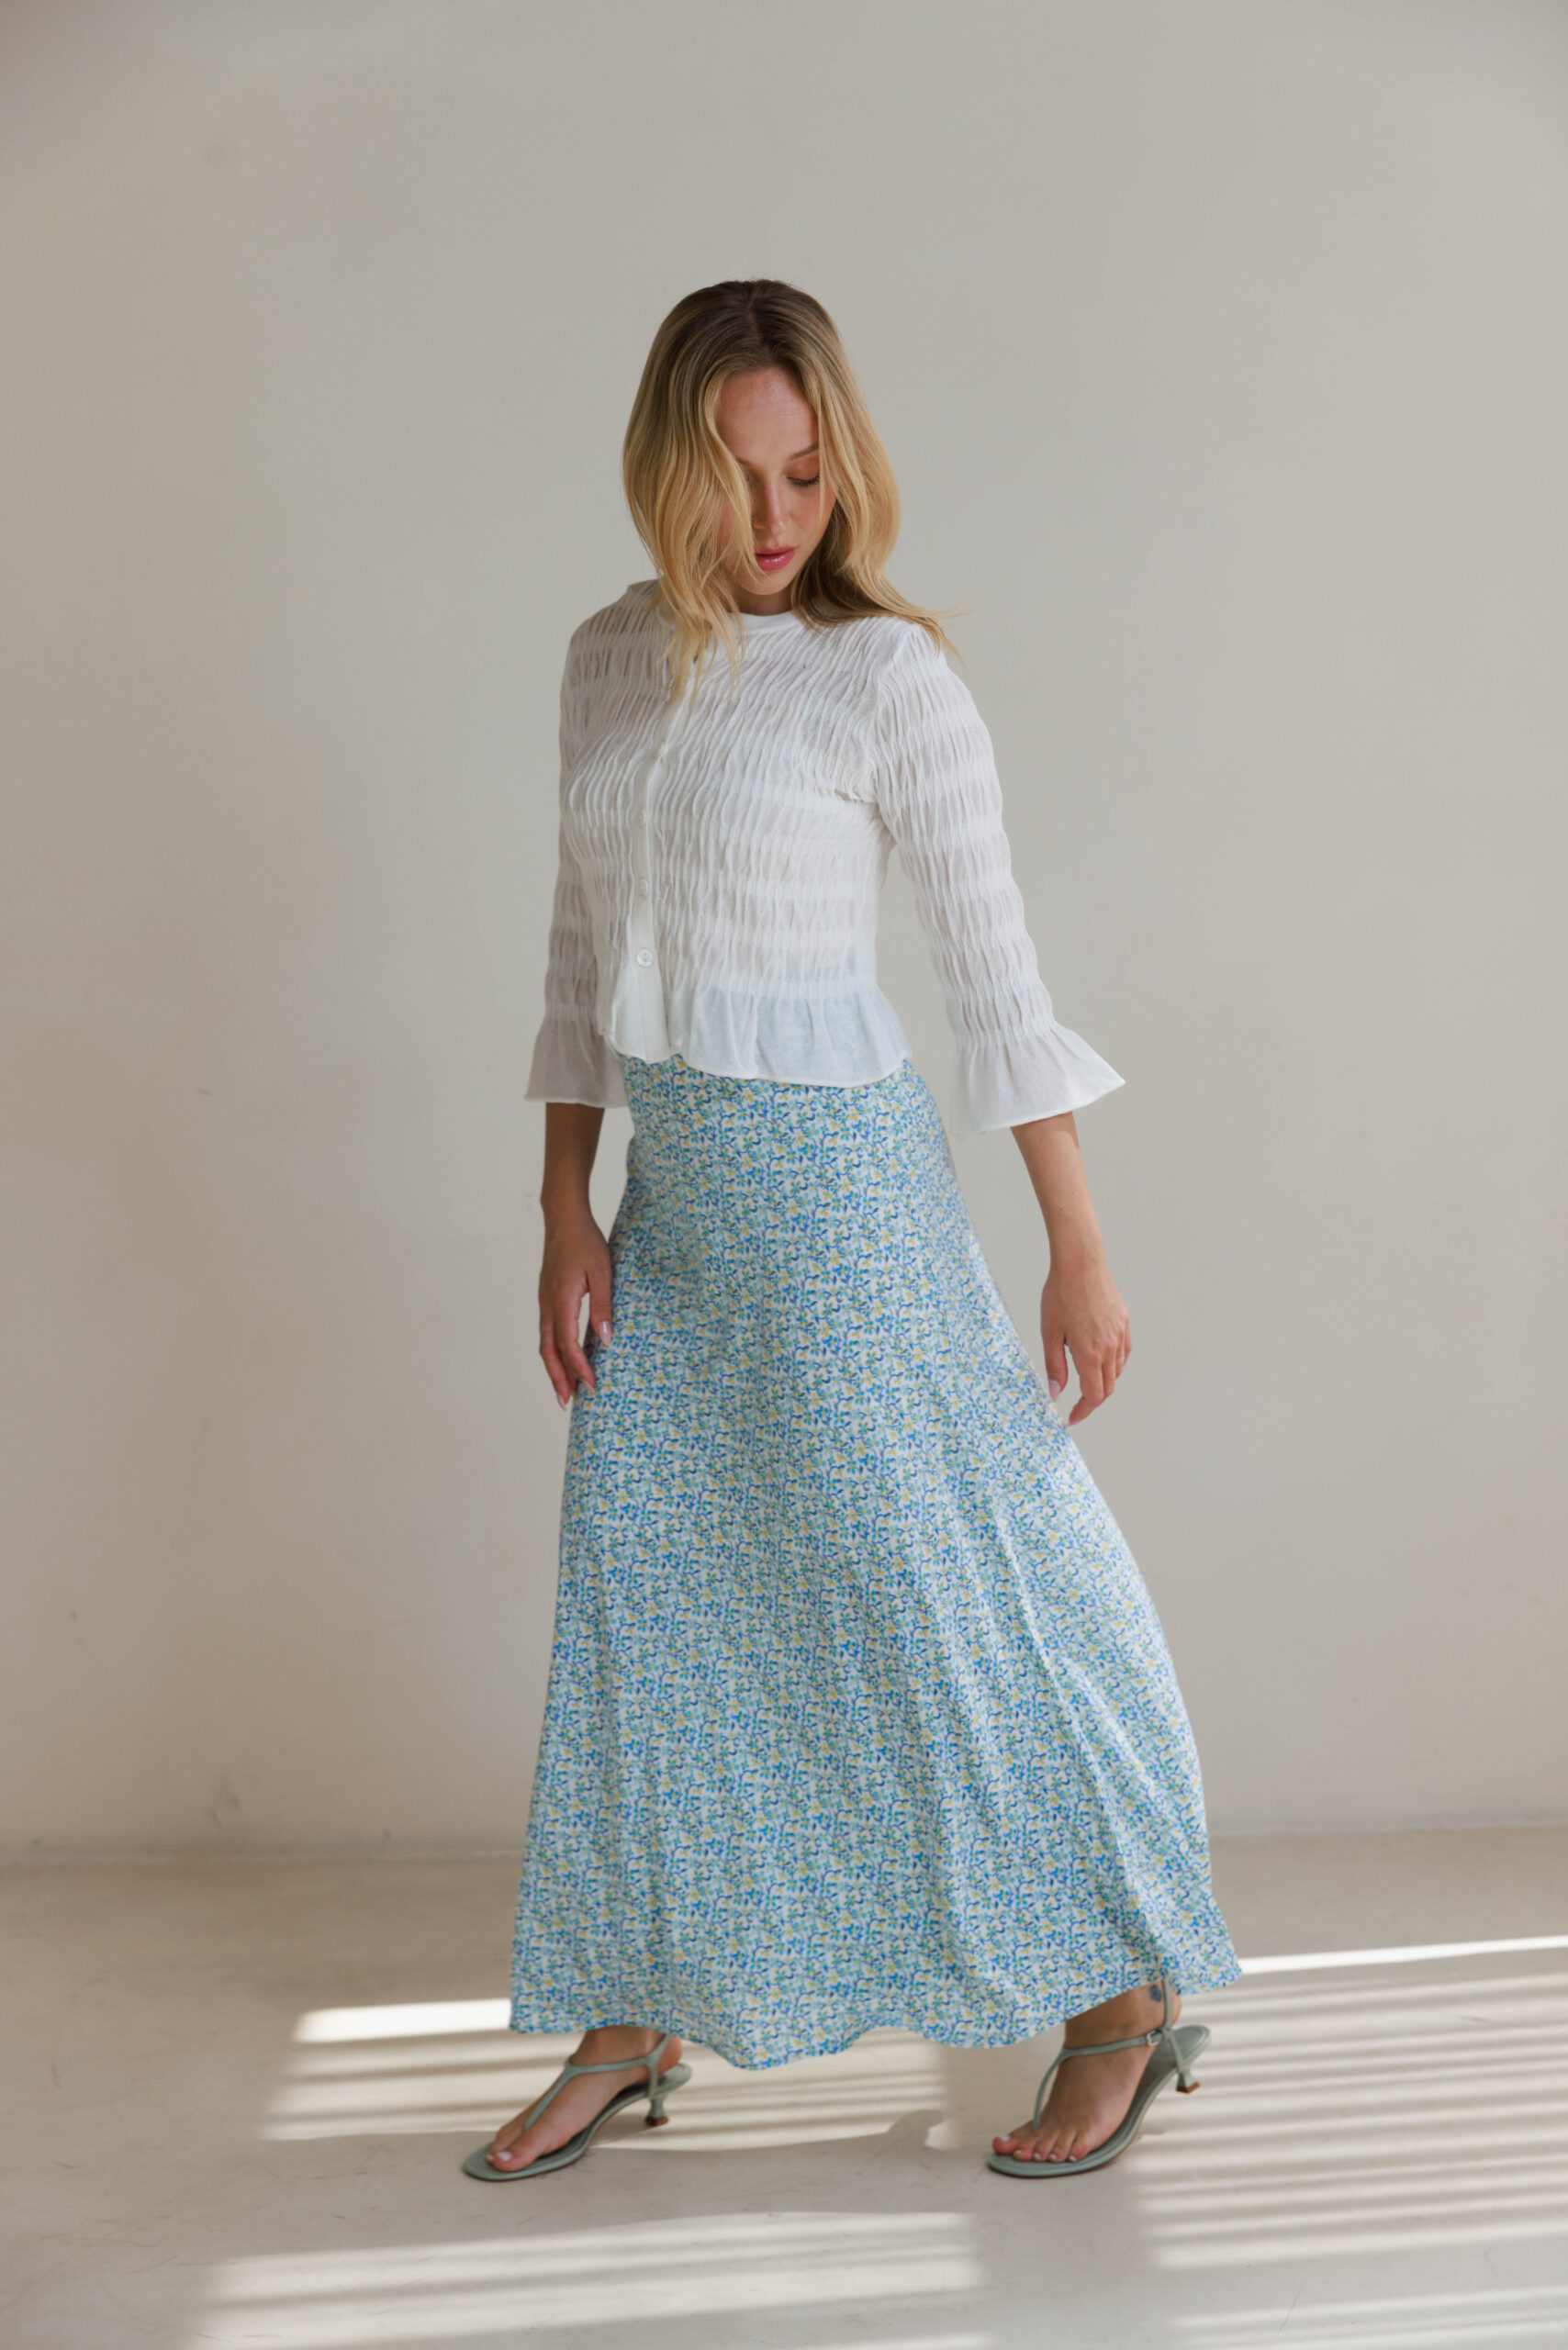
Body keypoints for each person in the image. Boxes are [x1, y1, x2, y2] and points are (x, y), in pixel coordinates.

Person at [465, 278, 1239, 2187]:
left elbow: (994, 978)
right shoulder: (602, 661)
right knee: (648, 1600)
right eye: (734, 476)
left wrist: (1075, 1242)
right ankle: (635, 2011)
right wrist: (563, 1203)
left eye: (803, 472)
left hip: (841, 1201)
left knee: (953, 1592)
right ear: (663, 471)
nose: (773, 515)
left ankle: (1120, 1995)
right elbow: (574, 959)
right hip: (674, 1205)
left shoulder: (884, 677)